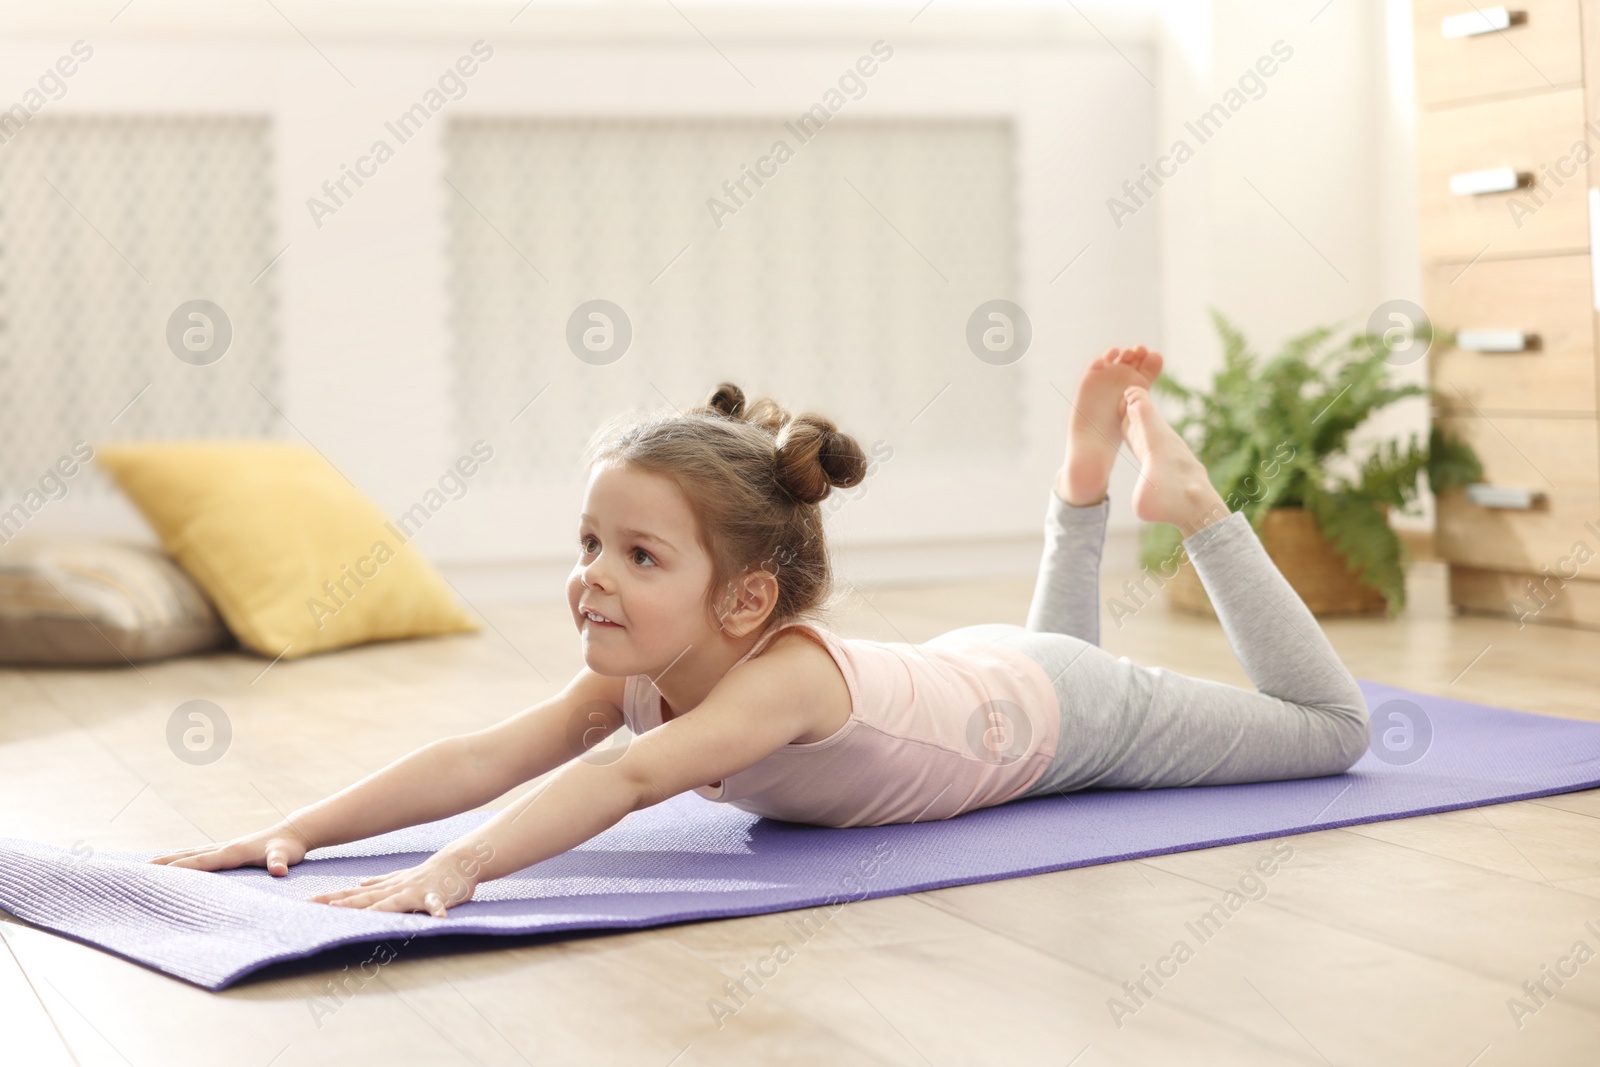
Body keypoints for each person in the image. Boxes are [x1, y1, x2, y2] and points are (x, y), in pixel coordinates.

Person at [149, 347, 1369, 918]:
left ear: (744, 601)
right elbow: (480, 754)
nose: (593, 579)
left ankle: (1195, 509)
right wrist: (298, 825)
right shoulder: (649, 669)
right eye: (588, 544)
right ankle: (1082, 486)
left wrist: (458, 865)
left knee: (1330, 730)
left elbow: (624, 781)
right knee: (1063, 664)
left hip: (1065, 715)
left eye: (637, 556)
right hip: (993, 675)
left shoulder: (773, 684)